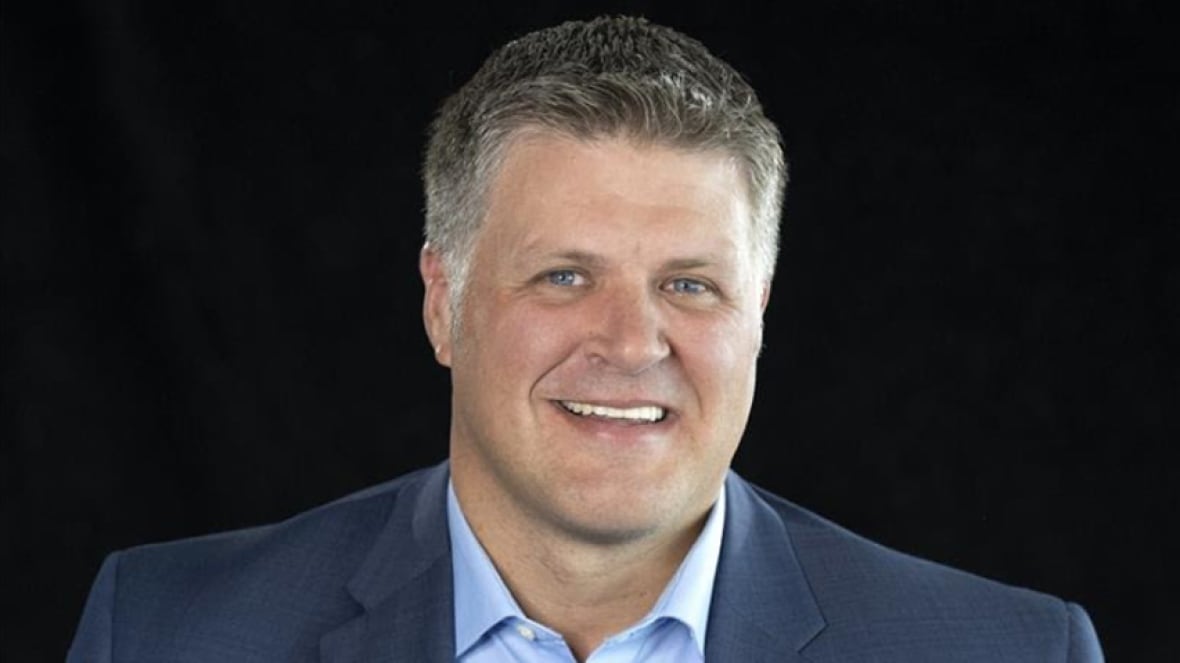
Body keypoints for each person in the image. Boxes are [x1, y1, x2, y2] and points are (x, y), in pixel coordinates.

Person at [67, 15, 1104, 662]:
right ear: (443, 300)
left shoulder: (1004, 651)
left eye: (690, 285)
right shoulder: (168, 634)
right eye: (565, 276)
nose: (630, 340)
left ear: (759, 315)